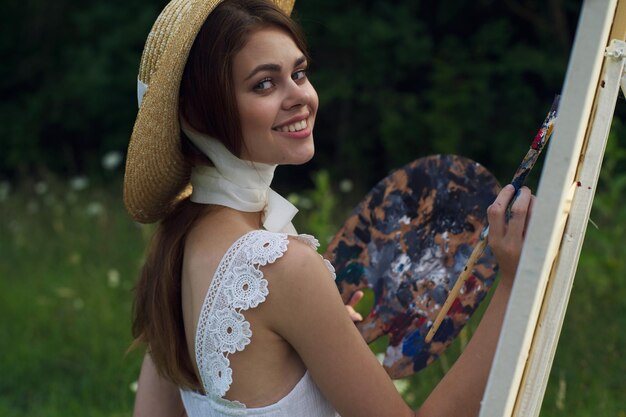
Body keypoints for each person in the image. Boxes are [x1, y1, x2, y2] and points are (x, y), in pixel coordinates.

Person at [124, 0, 535, 416]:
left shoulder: (175, 251)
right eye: (264, 84)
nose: (299, 96)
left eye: (298, 73)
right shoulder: (279, 267)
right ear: (198, 115)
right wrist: (516, 282)